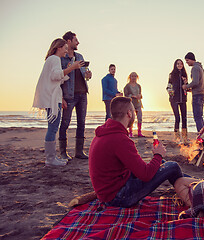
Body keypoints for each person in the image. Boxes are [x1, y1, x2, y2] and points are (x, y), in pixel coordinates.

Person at [89, 96, 184, 207]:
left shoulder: (104, 133)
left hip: (109, 191)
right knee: (172, 166)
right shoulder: (120, 139)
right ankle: (189, 191)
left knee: (162, 163)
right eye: (134, 111)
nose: (135, 114)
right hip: (119, 197)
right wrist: (158, 154)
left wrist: (158, 159)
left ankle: (190, 184)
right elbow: (145, 175)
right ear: (129, 113)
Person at [32, 38, 83, 166]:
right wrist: (71, 68)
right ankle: (50, 159)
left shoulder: (51, 60)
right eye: (65, 48)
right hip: (52, 98)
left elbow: (58, 78)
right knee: (53, 127)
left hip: (53, 97)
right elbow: (55, 76)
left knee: (53, 127)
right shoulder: (55, 59)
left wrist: (67, 69)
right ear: (59, 48)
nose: (66, 51)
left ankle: (52, 158)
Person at [59, 31, 92, 160]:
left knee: (81, 123)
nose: (78, 42)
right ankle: (63, 152)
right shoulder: (62, 58)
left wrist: (88, 75)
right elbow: (59, 77)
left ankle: (79, 151)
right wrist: (61, 97)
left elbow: (84, 74)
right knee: (65, 123)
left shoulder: (80, 56)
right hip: (69, 95)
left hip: (83, 94)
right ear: (68, 41)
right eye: (75, 40)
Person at [182, 52, 204, 132]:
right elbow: (200, 83)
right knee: (200, 117)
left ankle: (201, 137)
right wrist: (191, 89)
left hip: (197, 96)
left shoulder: (195, 68)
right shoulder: (201, 68)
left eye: (187, 60)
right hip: (201, 94)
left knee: (197, 117)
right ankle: (203, 135)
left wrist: (186, 86)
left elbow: (195, 82)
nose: (187, 62)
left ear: (191, 59)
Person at [167, 59, 189, 144]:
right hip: (174, 99)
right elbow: (168, 86)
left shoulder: (184, 75)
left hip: (183, 99)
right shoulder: (172, 75)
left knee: (184, 118)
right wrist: (170, 93)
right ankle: (177, 138)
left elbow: (187, 87)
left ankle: (185, 138)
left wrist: (186, 83)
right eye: (178, 64)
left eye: (181, 64)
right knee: (177, 118)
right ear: (175, 65)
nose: (180, 65)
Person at [124, 72, 144, 137]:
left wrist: (140, 96)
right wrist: (132, 96)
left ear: (137, 77)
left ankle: (139, 132)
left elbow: (140, 94)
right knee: (131, 118)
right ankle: (130, 133)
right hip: (131, 104)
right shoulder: (127, 86)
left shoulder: (138, 86)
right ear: (130, 77)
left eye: (135, 76)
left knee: (139, 117)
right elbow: (126, 95)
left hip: (138, 104)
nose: (134, 78)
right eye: (132, 76)